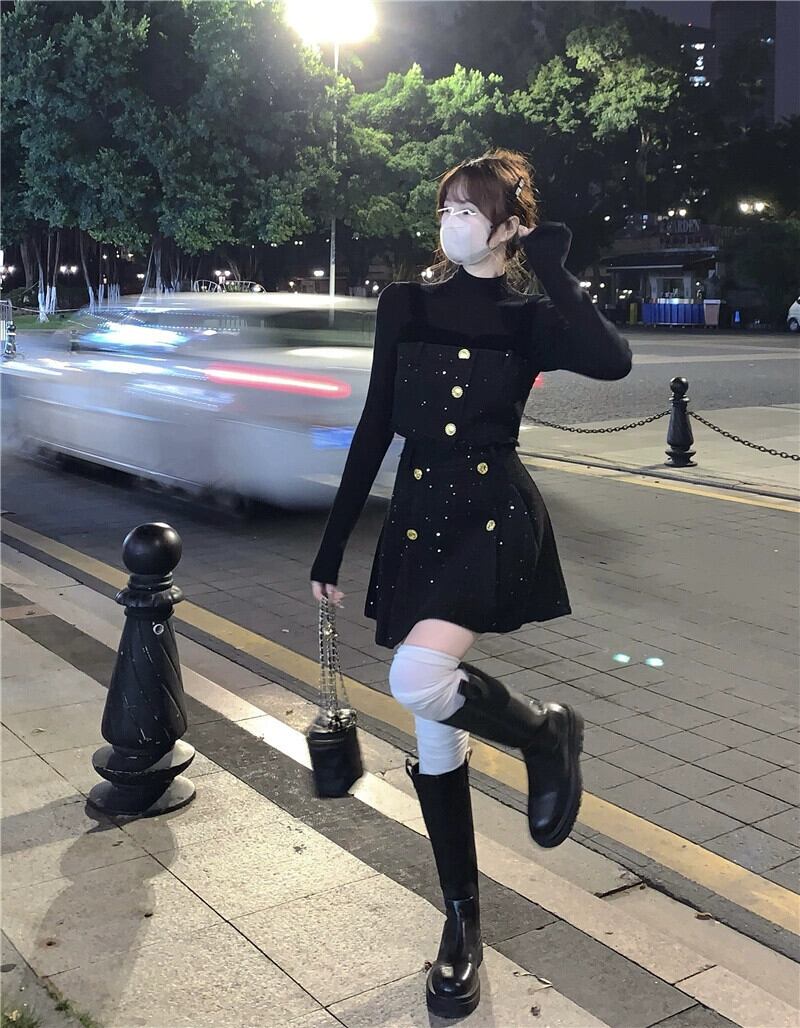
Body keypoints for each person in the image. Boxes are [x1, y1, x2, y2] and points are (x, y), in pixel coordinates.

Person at [309, 148, 633, 1019]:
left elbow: (613, 362)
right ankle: (462, 922)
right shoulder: (405, 303)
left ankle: (543, 734)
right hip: (420, 515)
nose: (450, 221)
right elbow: (375, 423)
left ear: (509, 226)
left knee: (417, 676)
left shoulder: (529, 317)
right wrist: (331, 548)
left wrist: (555, 268)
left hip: (493, 512)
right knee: (434, 728)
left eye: (468, 209)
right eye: (446, 207)